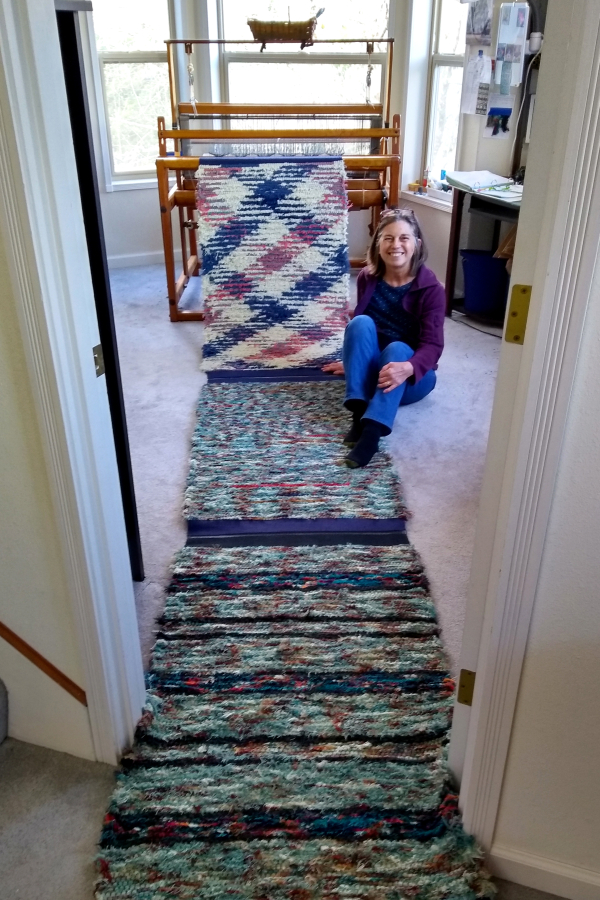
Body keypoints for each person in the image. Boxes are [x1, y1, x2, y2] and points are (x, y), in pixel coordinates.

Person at [323, 208, 445, 468]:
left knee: (399, 349)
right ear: (378, 244)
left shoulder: (432, 289)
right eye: (388, 238)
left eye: (404, 238)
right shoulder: (368, 277)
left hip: (413, 377)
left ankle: (371, 433)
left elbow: (433, 346)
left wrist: (409, 367)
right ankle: (358, 413)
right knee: (359, 322)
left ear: (417, 244)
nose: (396, 245)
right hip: (377, 371)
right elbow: (364, 331)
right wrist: (352, 363)